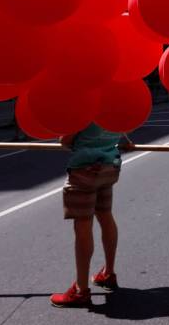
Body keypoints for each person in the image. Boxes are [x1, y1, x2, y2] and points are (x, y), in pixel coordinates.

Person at [51, 123, 135, 308]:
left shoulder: (86, 109)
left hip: (84, 170)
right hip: (109, 167)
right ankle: (108, 273)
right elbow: (125, 128)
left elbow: (65, 141)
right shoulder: (115, 108)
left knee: (82, 225)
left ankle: (81, 291)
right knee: (105, 215)